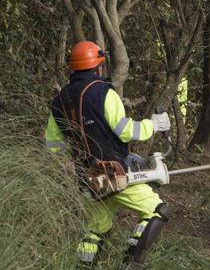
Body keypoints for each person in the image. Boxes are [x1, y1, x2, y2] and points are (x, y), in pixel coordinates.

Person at [44, 41, 172, 270]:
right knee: (157, 209)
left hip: (89, 178)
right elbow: (125, 131)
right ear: (98, 67)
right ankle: (132, 264)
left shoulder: (59, 101)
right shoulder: (103, 92)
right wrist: (152, 125)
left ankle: (83, 266)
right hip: (116, 174)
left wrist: (79, 162)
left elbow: (53, 146)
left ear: (74, 68)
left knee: (96, 227)